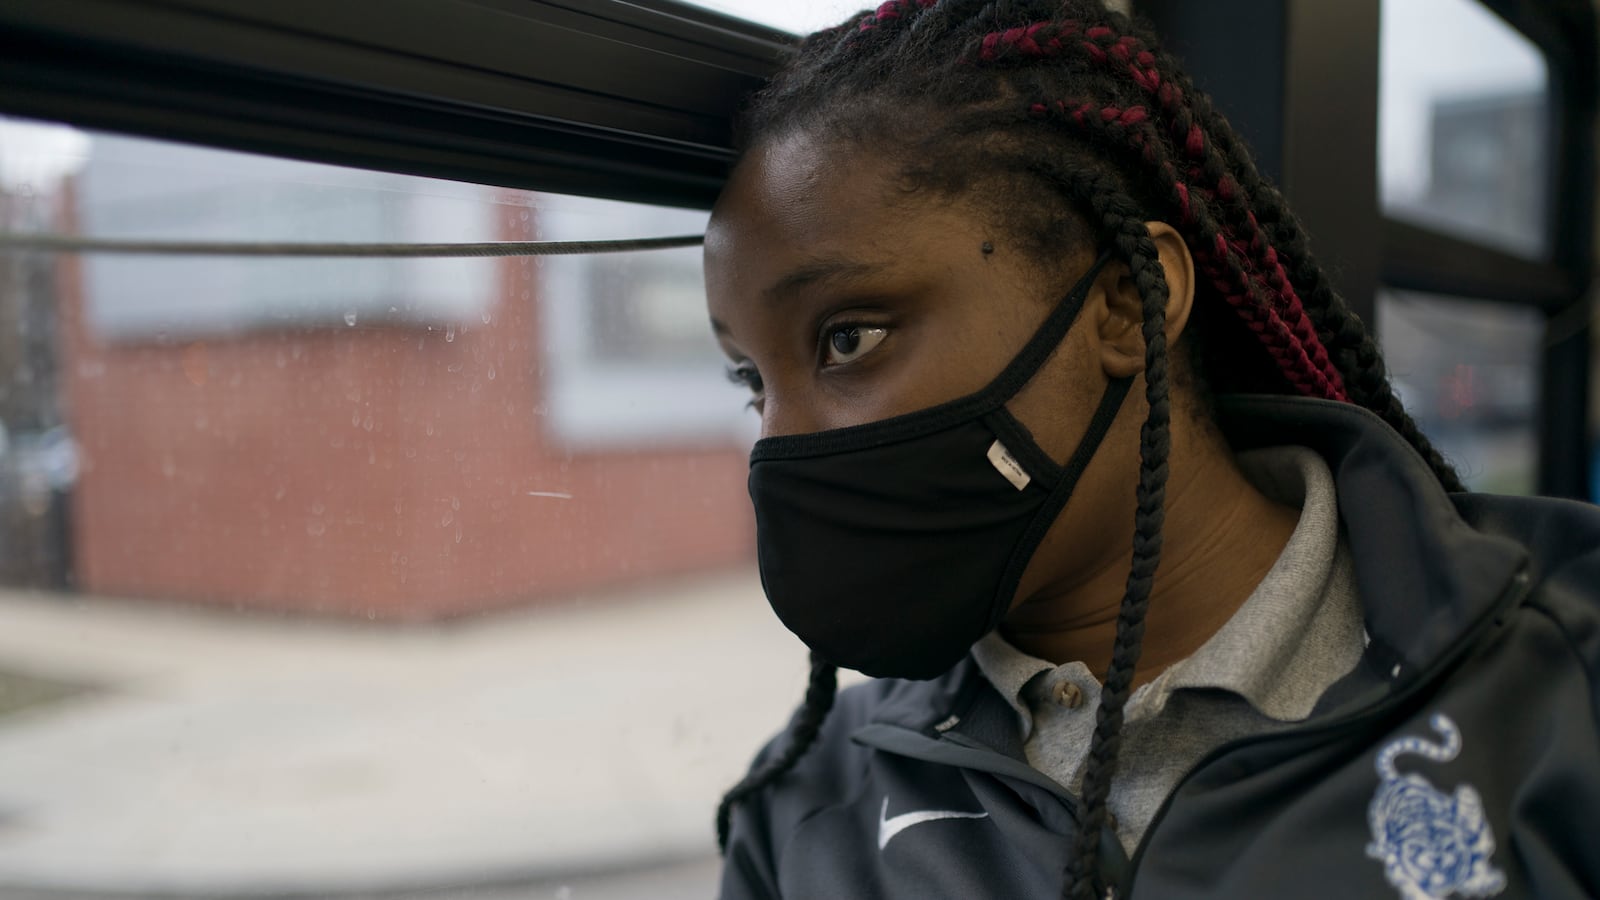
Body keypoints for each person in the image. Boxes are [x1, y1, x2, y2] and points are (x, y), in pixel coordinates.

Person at [702, 2, 1600, 897]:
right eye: (752, 380)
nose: (776, 446)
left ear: (1128, 304)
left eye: (849, 338)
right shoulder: (806, 803)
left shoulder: (1564, 675)